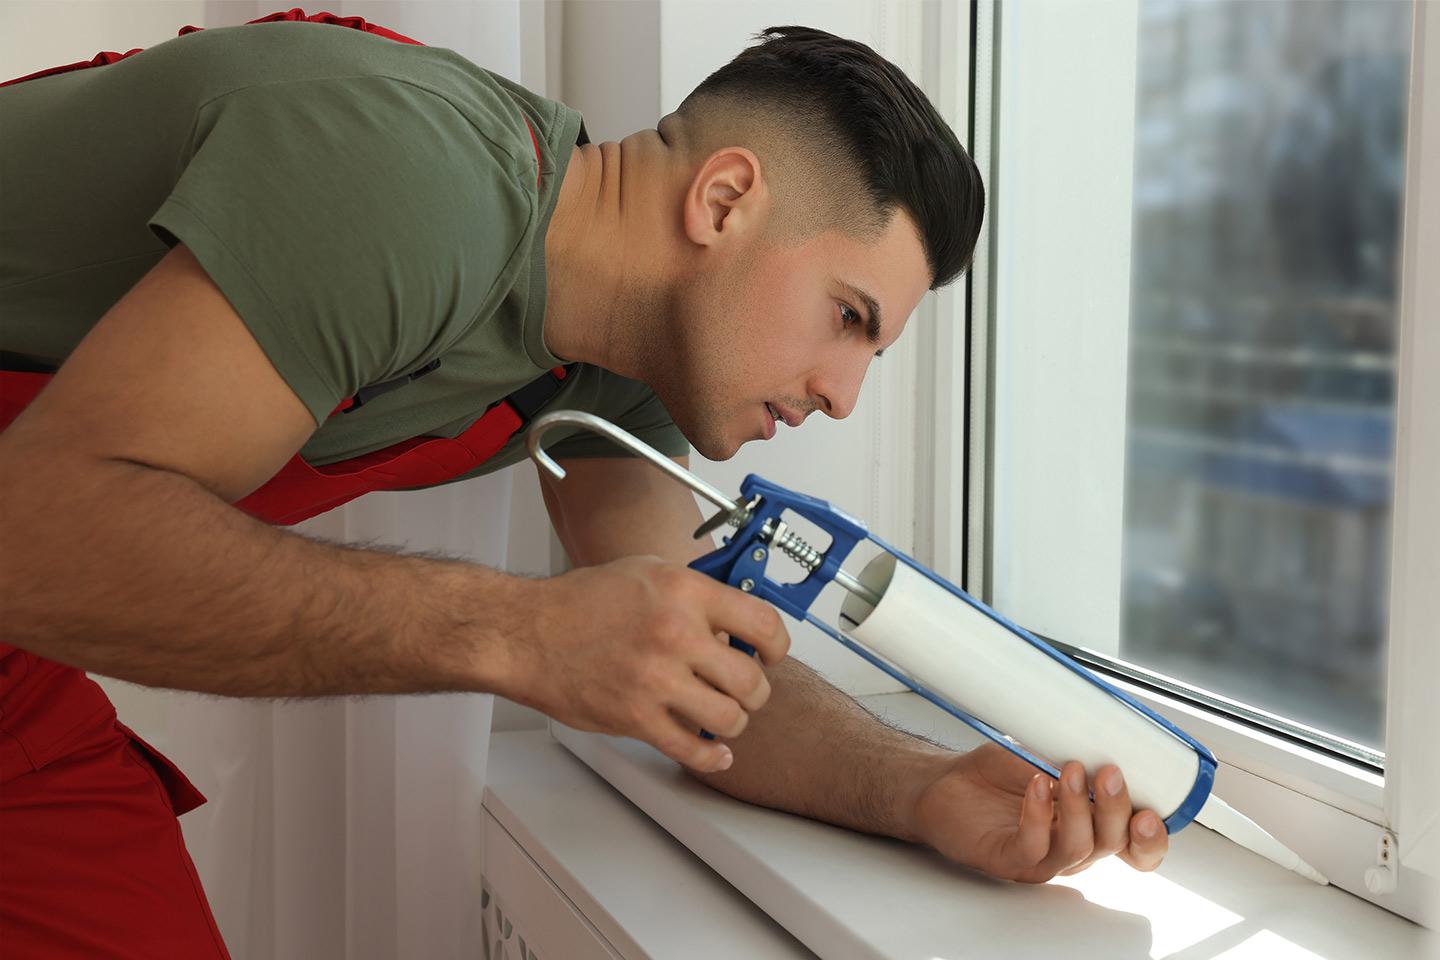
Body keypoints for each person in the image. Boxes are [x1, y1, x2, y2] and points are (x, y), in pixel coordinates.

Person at [0, 13, 1168, 957]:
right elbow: (40, 538)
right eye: (847, 319)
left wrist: (923, 793)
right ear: (723, 201)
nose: (842, 395)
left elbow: (697, 674)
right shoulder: (404, 176)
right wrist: (517, 633)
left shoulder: (617, 372)